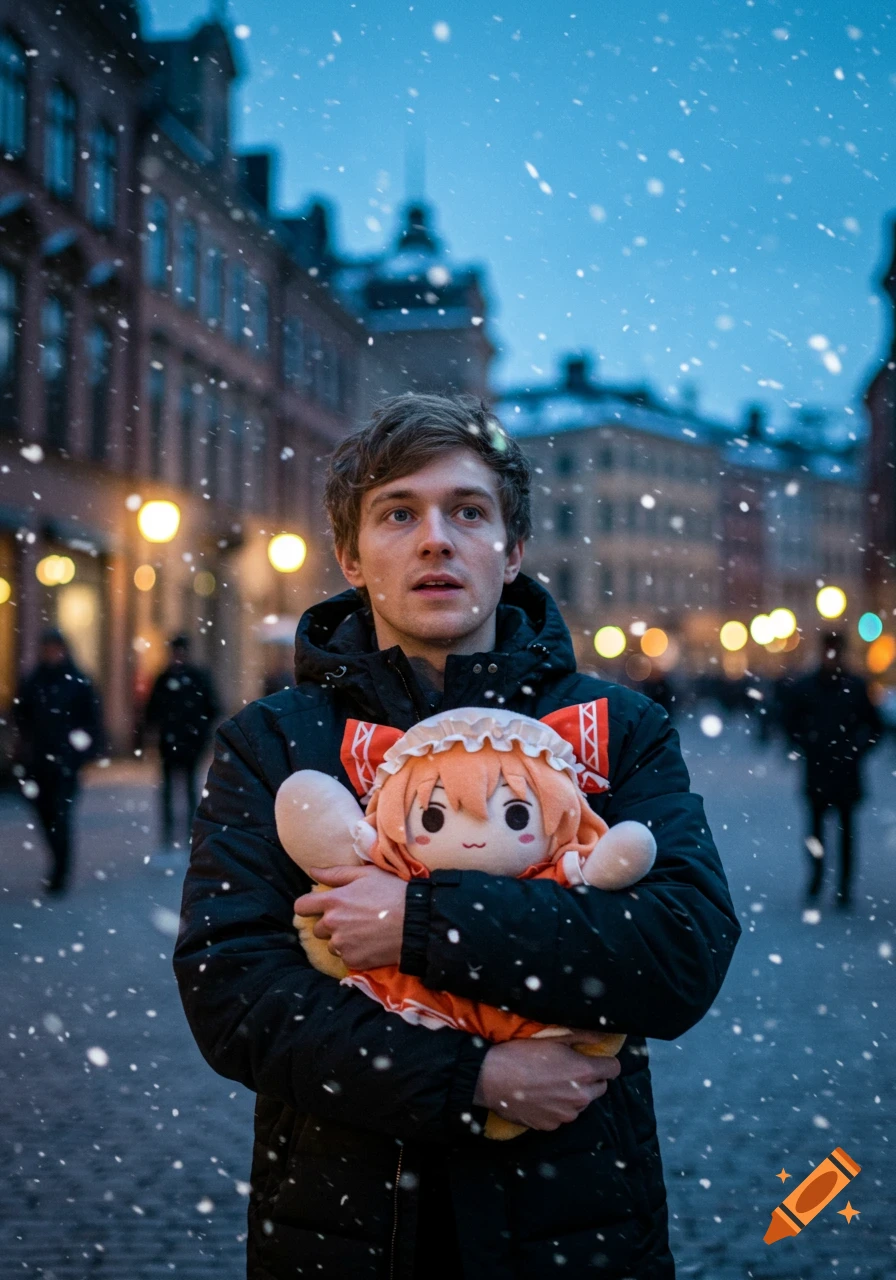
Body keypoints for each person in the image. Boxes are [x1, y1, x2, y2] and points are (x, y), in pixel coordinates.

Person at [173, 393, 742, 1280]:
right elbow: (235, 993)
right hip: (343, 1226)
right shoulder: (278, 742)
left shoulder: (613, 728)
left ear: (511, 551)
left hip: (575, 1224)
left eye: (467, 511)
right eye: (399, 513)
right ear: (351, 556)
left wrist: (420, 920)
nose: (436, 538)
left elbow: (681, 952)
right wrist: (473, 1079)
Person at [782, 630, 883, 910]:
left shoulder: (853, 686)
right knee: (818, 831)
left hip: (843, 770)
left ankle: (843, 886)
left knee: (845, 832)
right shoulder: (811, 687)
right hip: (820, 768)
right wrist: (807, 744)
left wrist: (857, 750)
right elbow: (789, 722)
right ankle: (817, 879)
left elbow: (875, 727)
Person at [13, 627, 104, 895]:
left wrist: (81, 753)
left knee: (61, 816)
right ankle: (57, 861)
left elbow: (92, 721)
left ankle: (60, 871)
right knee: (43, 814)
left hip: (65, 762)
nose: (51, 654)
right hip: (39, 762)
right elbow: (21, 713)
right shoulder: (35, 680)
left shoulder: (78, 682)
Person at [143, 633, 220, 851]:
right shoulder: (166, 678)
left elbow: (212, 707)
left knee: (187, 787)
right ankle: (170, 832)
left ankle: (188, 830)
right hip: (170, 744)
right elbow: (152, 711)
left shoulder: (196, 677)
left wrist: (201, 733)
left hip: (189, 743)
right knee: (169, 789)